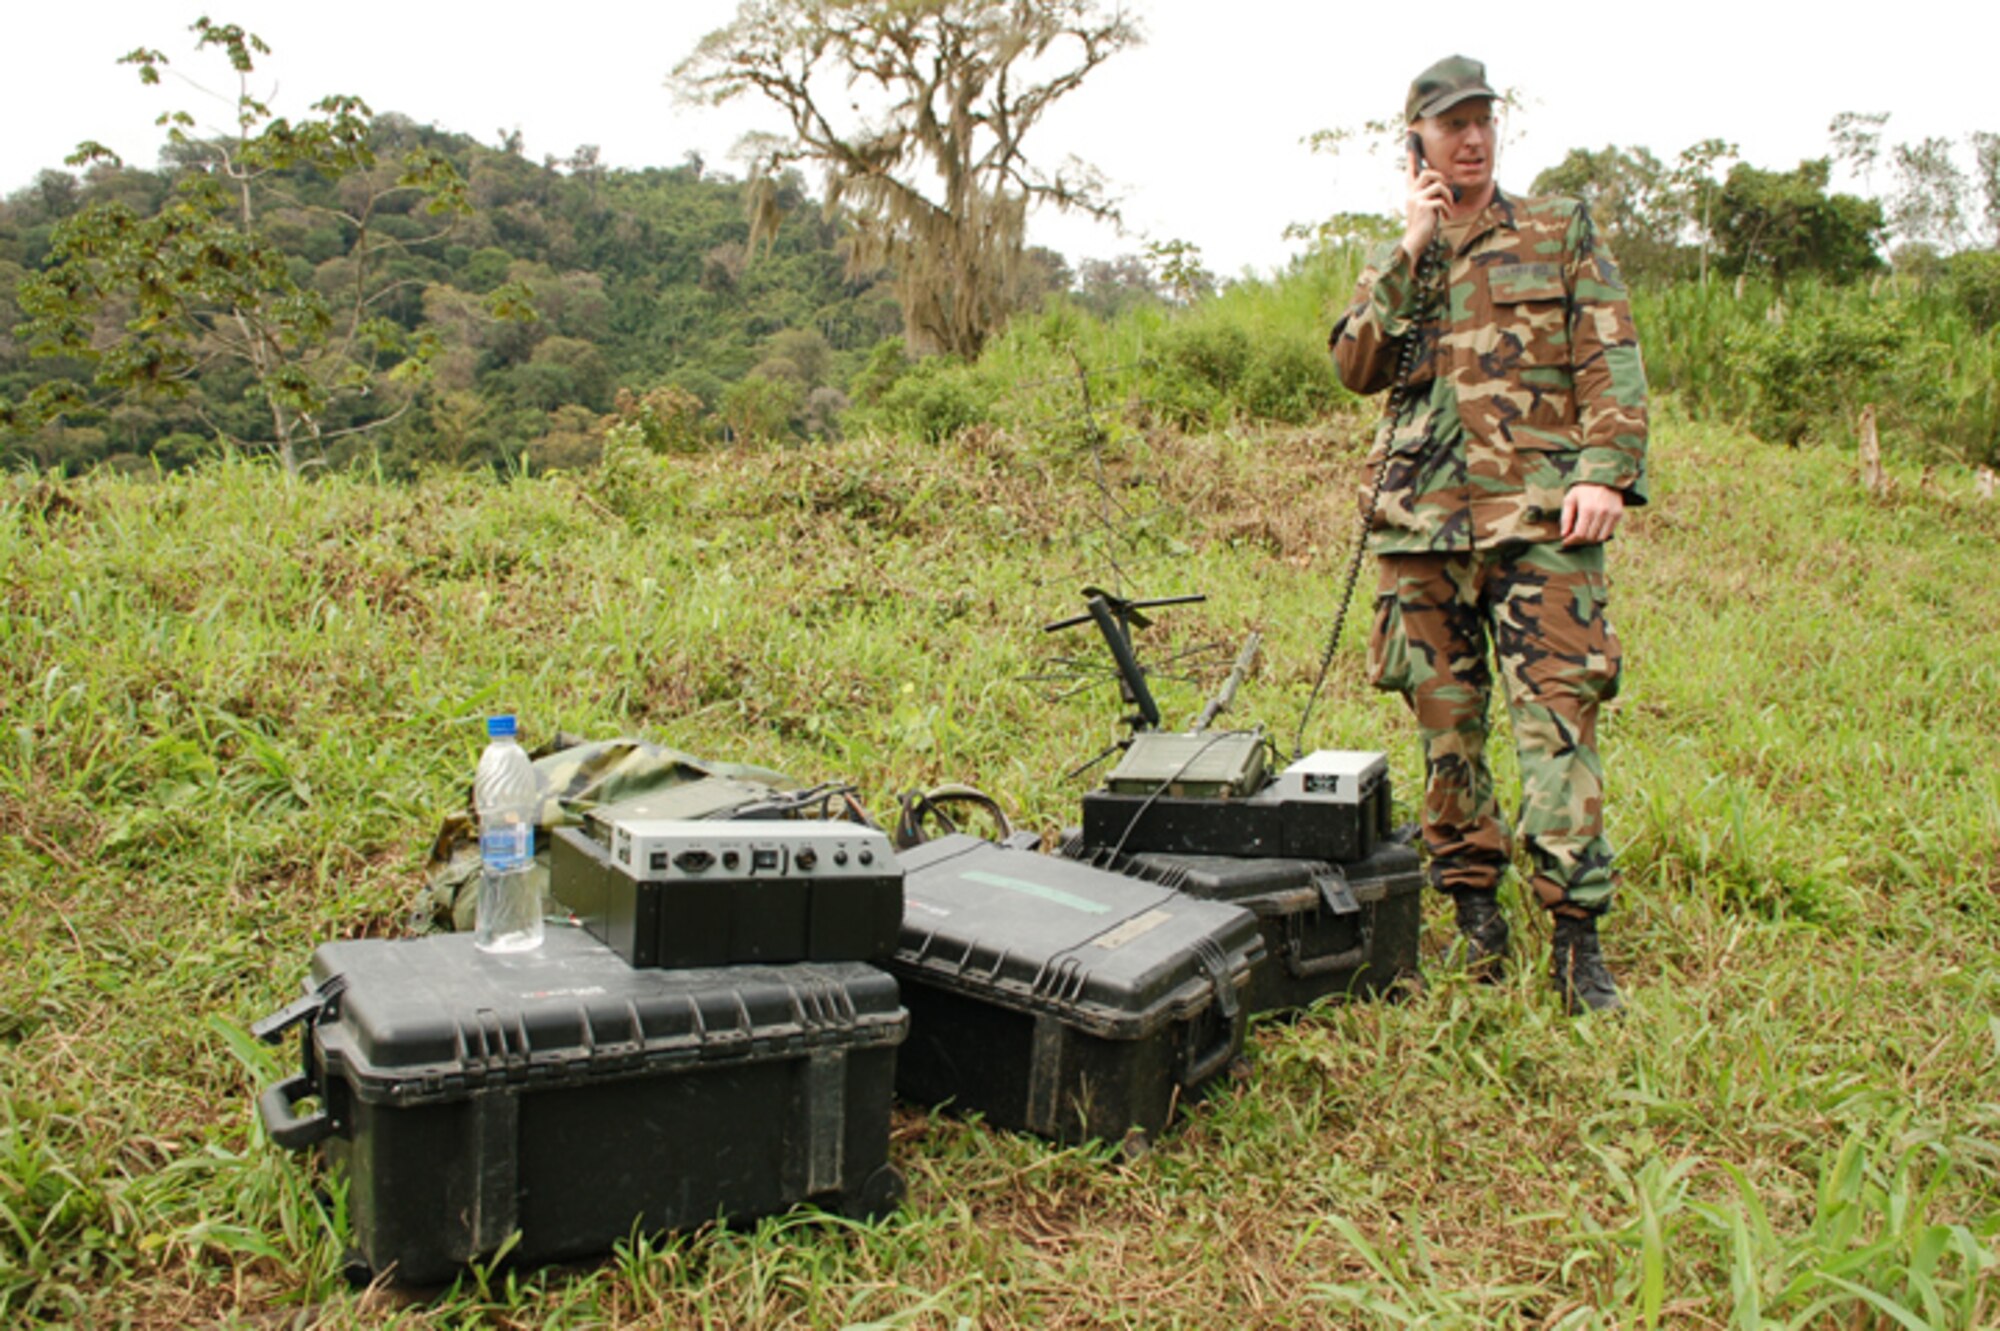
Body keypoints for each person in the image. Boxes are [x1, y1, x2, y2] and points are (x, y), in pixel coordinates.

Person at [1328, 54, 1648, 1014]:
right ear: (1416, 140)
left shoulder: (1557, 229)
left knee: (1557, 723)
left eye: (1481, 121)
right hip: (1421, 531)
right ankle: (1474, 913)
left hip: (1539, 521)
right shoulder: (1400, 257)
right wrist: (1412, 246)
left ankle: (1576, 942)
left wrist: (1604, 476)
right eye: (1450, 124)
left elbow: (1610, 357)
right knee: (1448, 736)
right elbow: (1356, 364)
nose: (1470, 138)